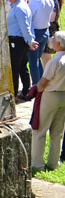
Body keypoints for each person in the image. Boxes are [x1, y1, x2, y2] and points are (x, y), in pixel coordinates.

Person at [32, 33, 65, 172]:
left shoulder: (54, 62)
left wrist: (35, 89)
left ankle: (37, 165)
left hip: (50, 96)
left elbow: (42, 84)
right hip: (63, 96)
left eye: (54, 40)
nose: (51, 41)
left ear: (58, 44)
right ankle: (53, 163)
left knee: (40, 130)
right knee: (57, 133)